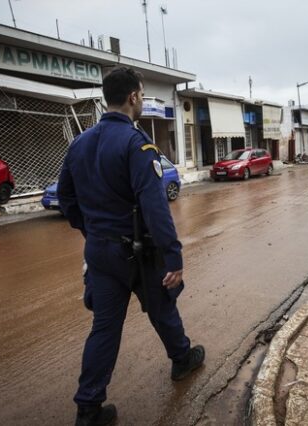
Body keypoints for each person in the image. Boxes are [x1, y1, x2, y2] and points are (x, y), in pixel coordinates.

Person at [58, 67, 205, 426]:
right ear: (134, 97)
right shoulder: (137, 144)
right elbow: (155, 208)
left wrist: (89, 232)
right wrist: (173, 256)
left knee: (105, 328)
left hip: (100, 253)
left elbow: (66, 199)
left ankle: (88, 408)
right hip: (139, 252)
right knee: (162, 306)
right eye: (142, 94)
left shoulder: (79, 143)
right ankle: (181, 359)